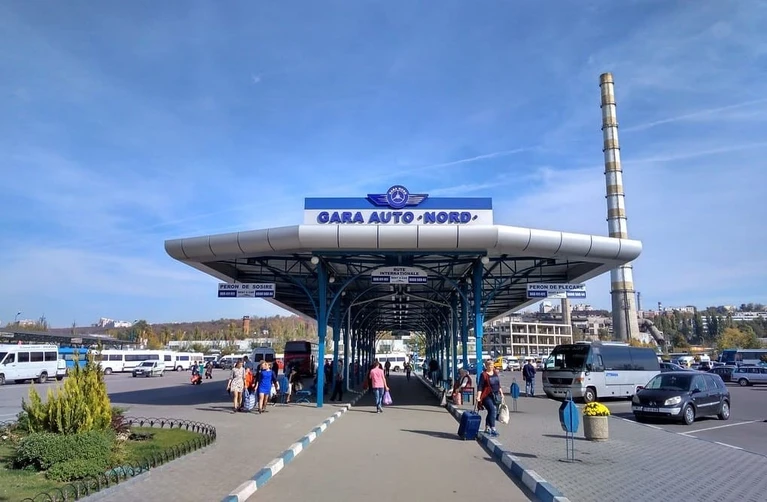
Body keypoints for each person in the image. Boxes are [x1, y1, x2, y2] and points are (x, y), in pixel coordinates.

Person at [476, 359, 502, 437]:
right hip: (486, 396)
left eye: (492, 365)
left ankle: (487, 427)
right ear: (486, 366)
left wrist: (501, 393)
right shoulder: (483, 375)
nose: (491, 367)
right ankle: (493, 428)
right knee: (492, 410)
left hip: (495, 395)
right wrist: (478, 397)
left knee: (491, 411)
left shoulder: (495, 373)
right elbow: (480, 386)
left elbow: (498, 384)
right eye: (489, 365)